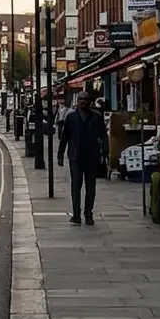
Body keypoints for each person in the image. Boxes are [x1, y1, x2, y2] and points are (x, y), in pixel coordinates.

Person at [58, 94, 109, 226]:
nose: (83, 102)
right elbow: (64, 137)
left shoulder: (97, 117)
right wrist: (60, 154)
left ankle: (88, 214)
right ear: (77, 101)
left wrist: (105, 152)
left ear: (90, 102)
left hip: (92, 157)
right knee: (76, 186)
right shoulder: (71, 117)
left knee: (91, 187)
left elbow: (104, 136)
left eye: (86, 99)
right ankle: (76, 214)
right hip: (75, 157)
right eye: (81, 99)